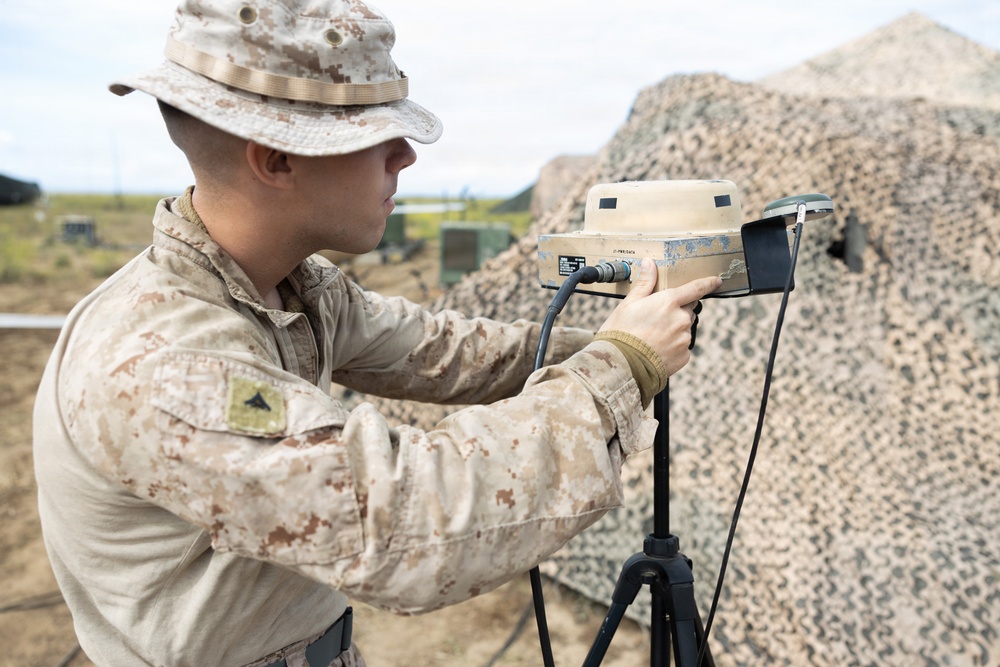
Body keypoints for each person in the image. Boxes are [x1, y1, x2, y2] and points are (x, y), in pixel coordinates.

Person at [32, 1, 721, 665]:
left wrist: (623, 337)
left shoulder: (287, 287)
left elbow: (440, 351)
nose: (404, 158)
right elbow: (400, 522)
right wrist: (621, 367)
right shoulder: (164, 361)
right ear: (275, 158)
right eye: (372, 134)